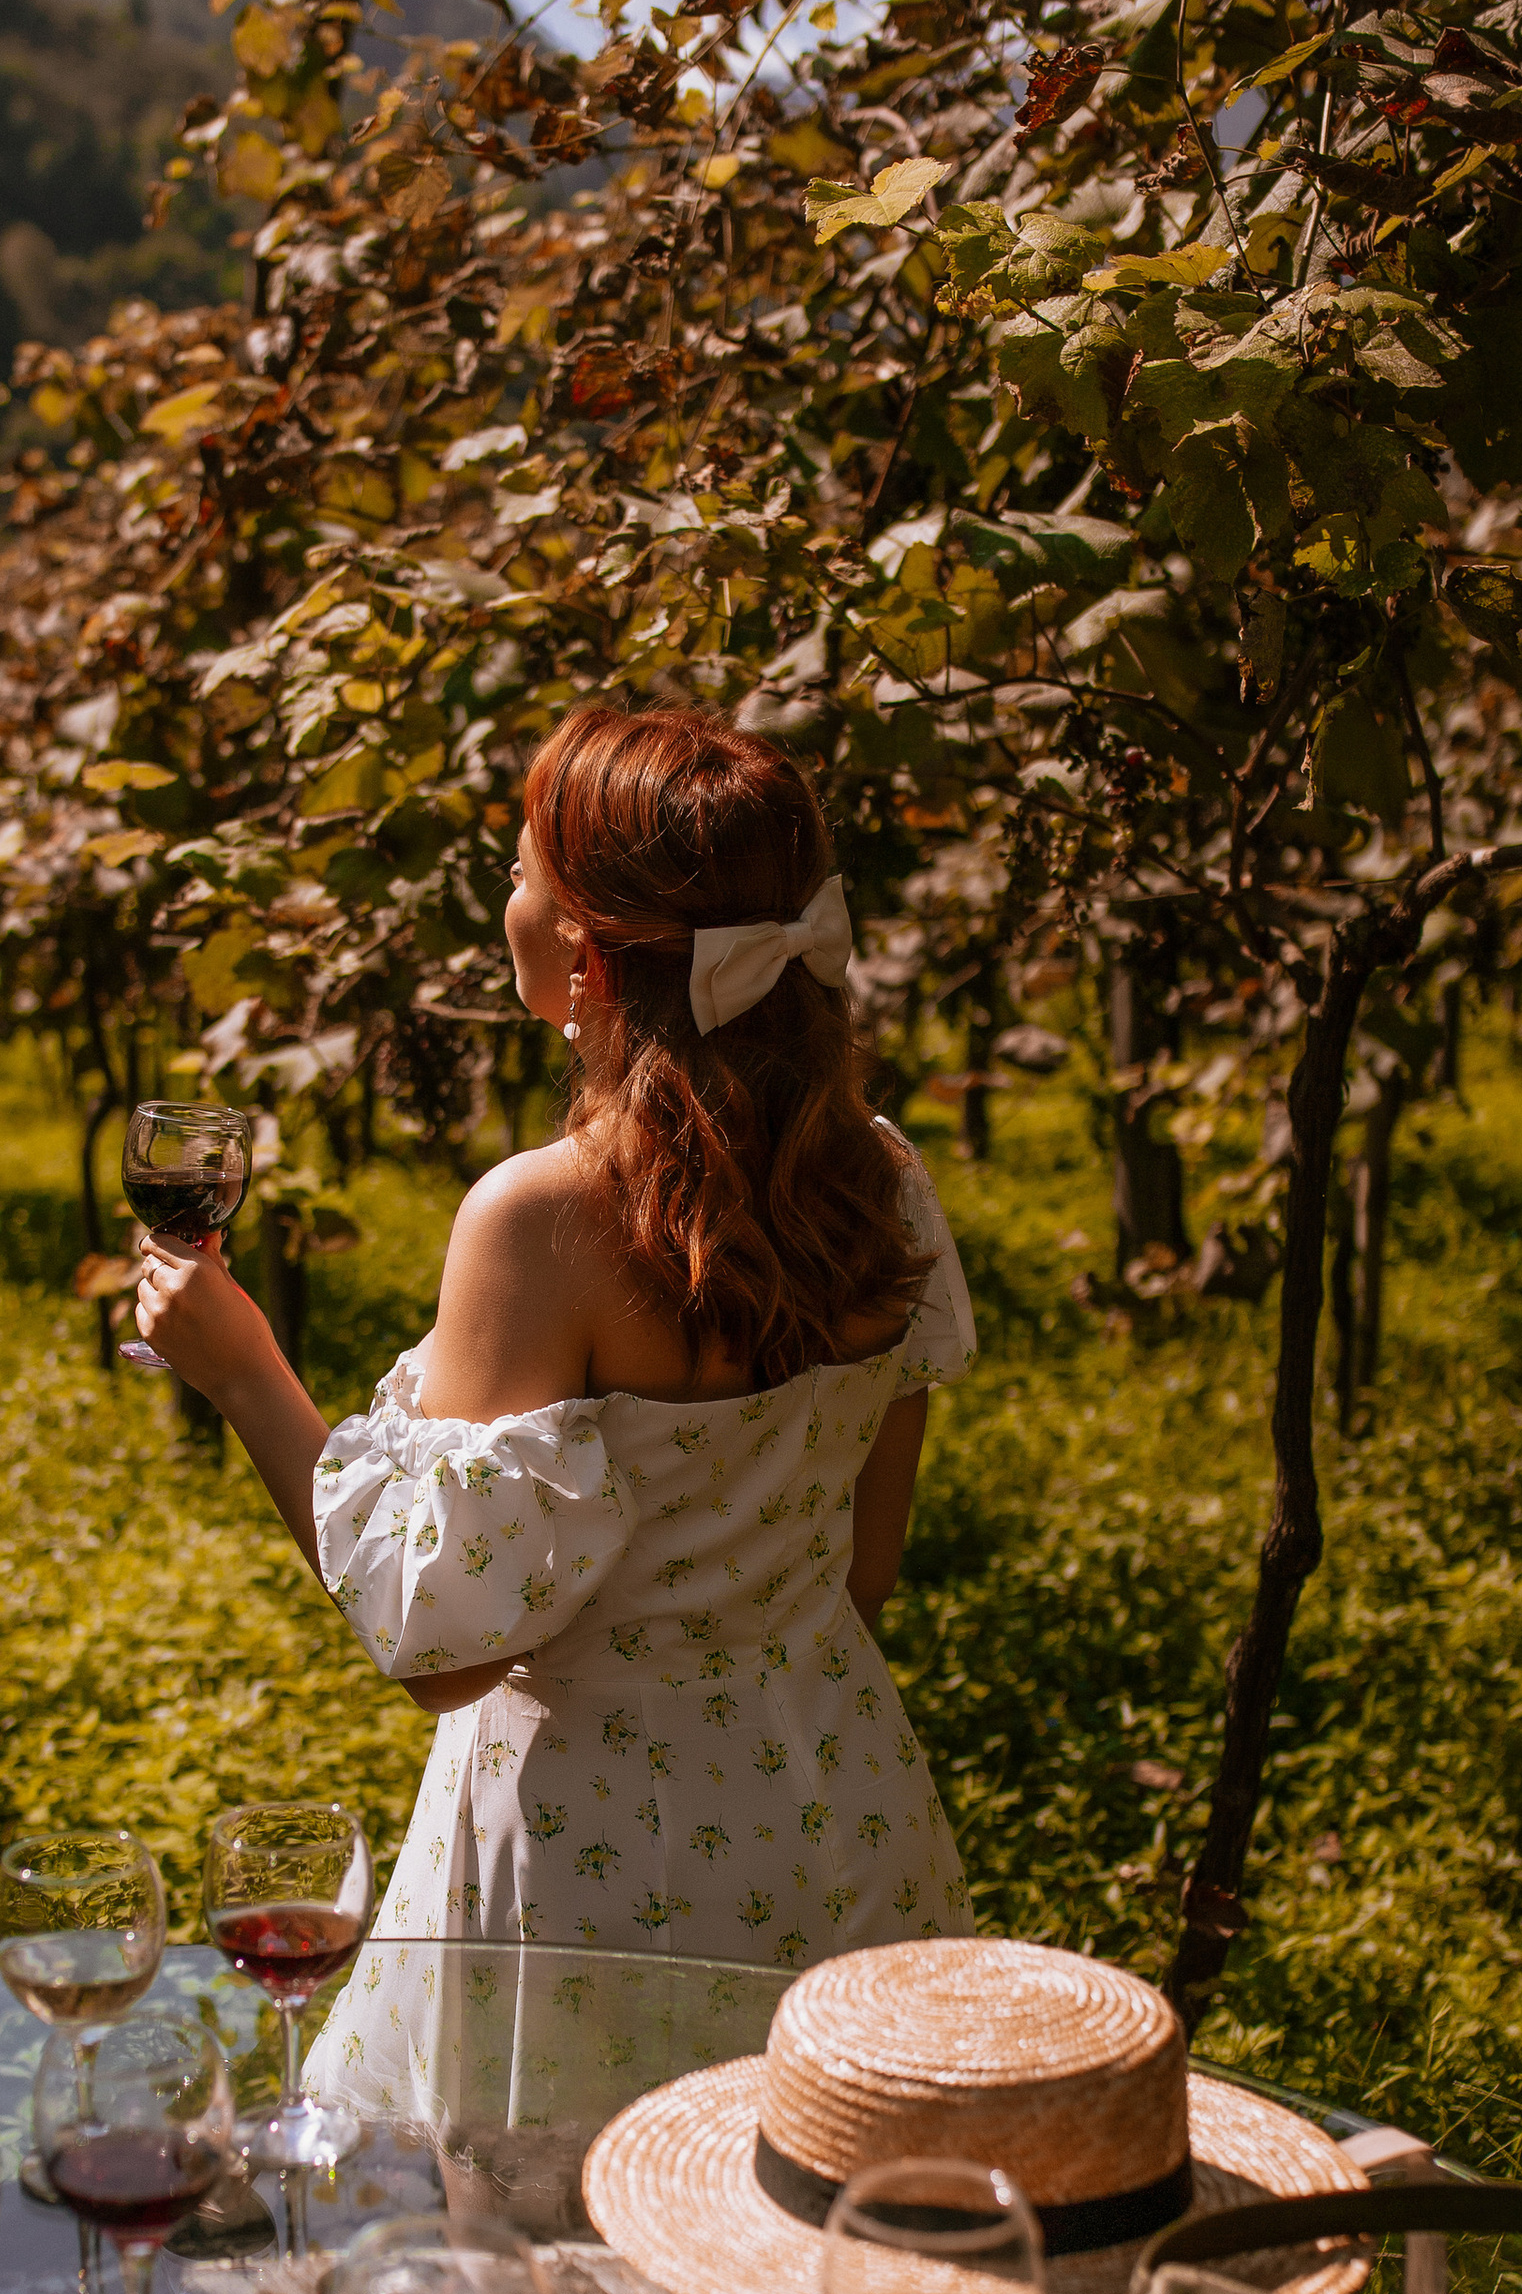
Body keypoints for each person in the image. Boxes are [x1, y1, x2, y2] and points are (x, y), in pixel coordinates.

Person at [133, 699, 976, 2026]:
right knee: (807, 2155)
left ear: (586, 953)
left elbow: (446, 1658)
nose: (506, 900)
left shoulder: (544, 1220)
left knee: (571, 2172)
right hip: (835, 1814)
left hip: (597, 1870)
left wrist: (243, 1372)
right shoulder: (882, 1182)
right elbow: (865, 1573)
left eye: (522, 873)